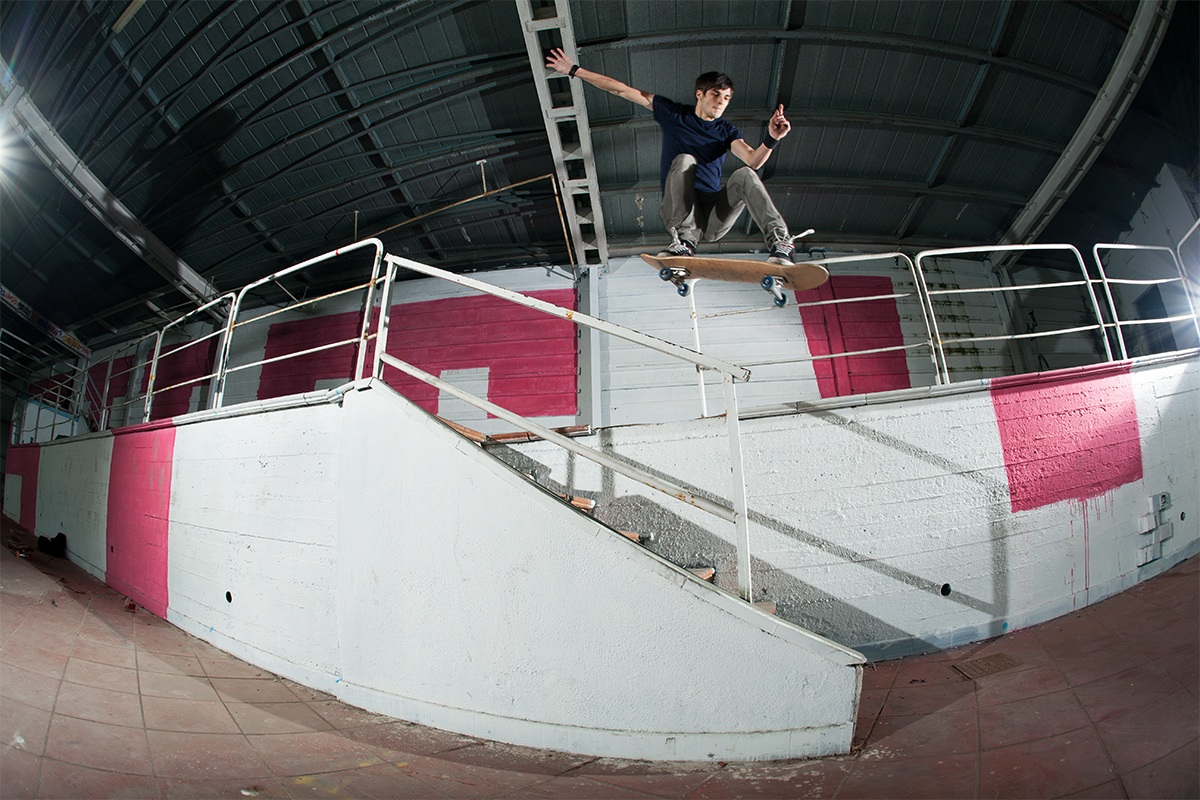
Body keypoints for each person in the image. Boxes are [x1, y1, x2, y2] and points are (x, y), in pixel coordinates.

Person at [546, 47, 801, 265]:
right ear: (699, 94)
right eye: (715, 95)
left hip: (712, 219)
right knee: (685, 160)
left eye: (726, 98)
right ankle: (684, 241)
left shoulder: (726, 131)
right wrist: (574, 70)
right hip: (678, 211)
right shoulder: (674, 114)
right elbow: (622, 90)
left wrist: (772, 138)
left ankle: (781, 243)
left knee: (745, 175)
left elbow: (753, 161)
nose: (721, 102)